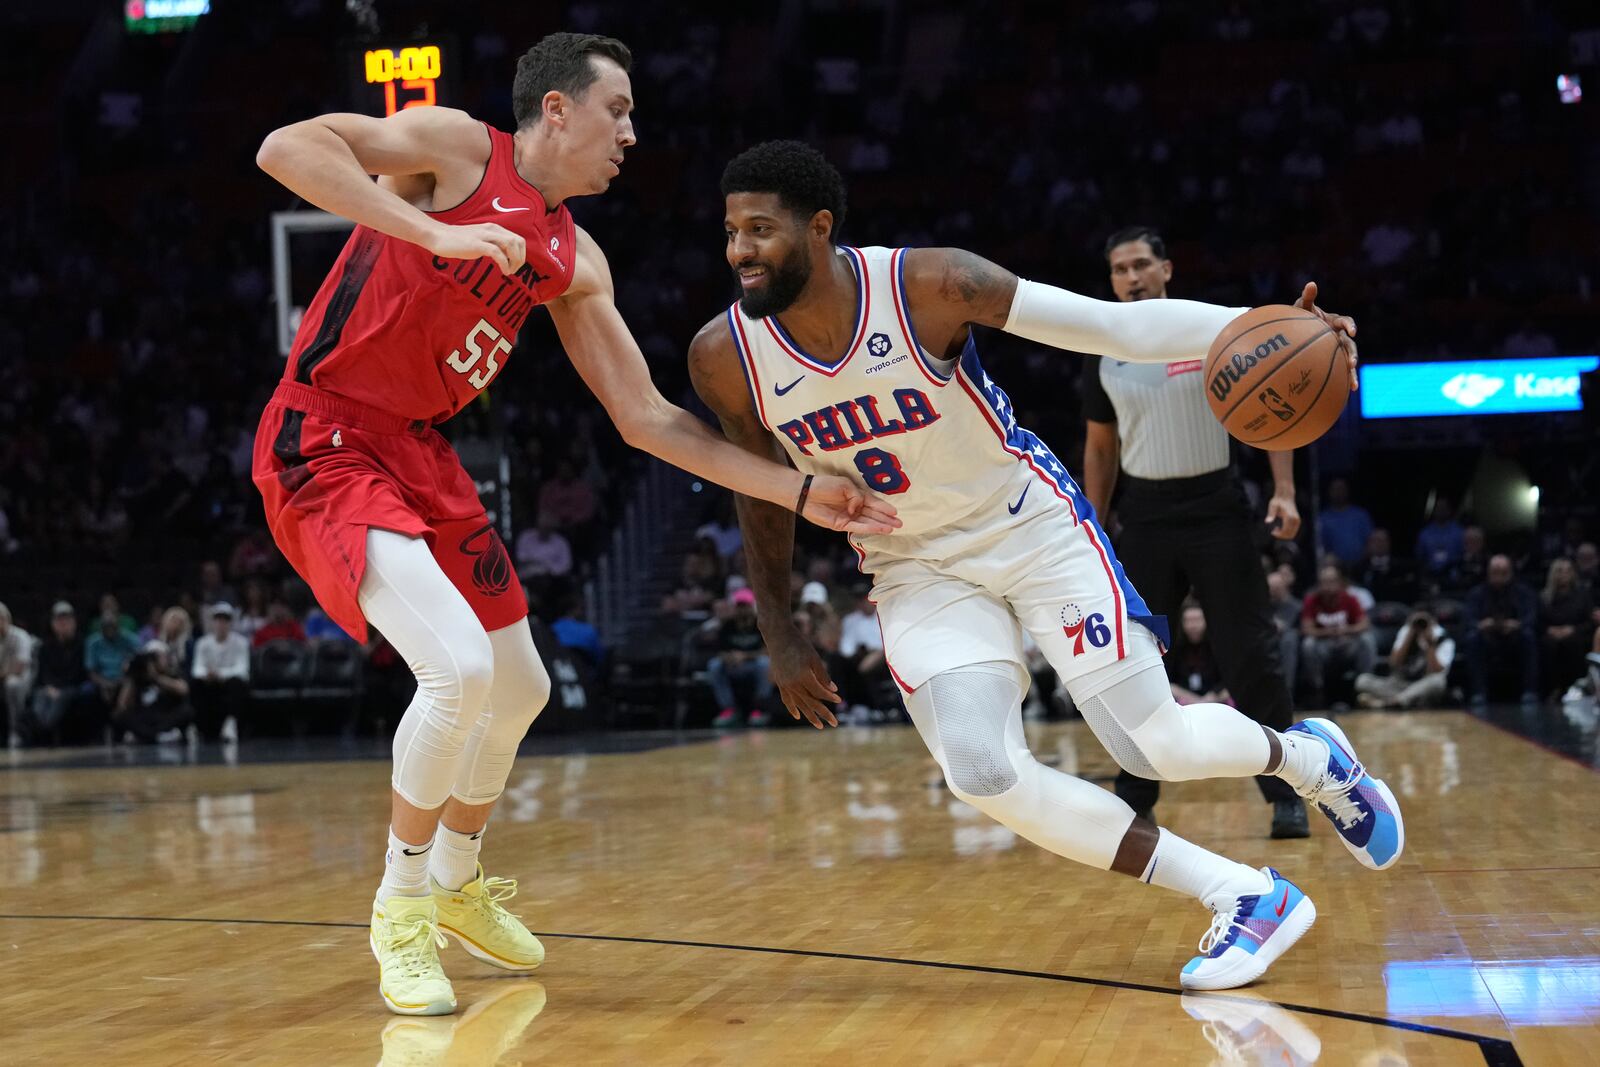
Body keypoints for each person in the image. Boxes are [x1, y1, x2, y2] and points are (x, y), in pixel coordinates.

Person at [251, 35, 897, 1017]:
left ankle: (459, 880)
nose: (630, 135)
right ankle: (401, 907)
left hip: (421, 452)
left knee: (520, 684)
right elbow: (284, 149)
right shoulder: (452, 150)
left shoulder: (572, 255)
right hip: (327, 434)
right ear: (555, 110)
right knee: (457, 670)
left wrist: (796, 492)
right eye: (617, 111)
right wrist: (433, 234)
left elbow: (642, 418)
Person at [687, 141, 1398, 991]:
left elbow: (1114, 326)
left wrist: (1280, 319)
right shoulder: (725, 357)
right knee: (983, 770)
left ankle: (1312, 762)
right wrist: (781, 628)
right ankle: (1244, 894)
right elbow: (761, 493)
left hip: (1030, 525)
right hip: (914, 565)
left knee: (1152, 744)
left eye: (760, 229)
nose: (740, 252)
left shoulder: (931, 284)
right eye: (731, 233)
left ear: (821, 227)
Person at [1080, 226, 1308, 838]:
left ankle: (1286, 791)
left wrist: (1283, 491)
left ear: (1167, 271)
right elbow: (1101, 448)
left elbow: (1271, 411)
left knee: (1250, 655)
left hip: (1217, 509)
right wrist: (1094, 523)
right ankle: (1135, 796)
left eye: (1141, 265)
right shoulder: (1100, 348)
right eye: (1119, 269)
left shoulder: (1213, 332)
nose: (1130, 277)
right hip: (1145, 517)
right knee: (1136, 662)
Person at [1462, 554, 1538, 711]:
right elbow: (1468, 620)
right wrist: (1481, 625)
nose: (1499, 576)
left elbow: (1533, 617)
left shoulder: (1523, 592)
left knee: (1529, 636)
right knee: (1472, 638)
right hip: (1487, 639)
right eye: (1495, 572)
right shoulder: (1477, 593)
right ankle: (1478, 693)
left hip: (1514, 638)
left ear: (1510, 572)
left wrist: (1517, 625)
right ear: (1488, 573)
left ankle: (1530, 691)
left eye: (1503, 572)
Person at [1298, 562, 1377, 707]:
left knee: (1366, 640)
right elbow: (1306, 629)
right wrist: (1328, 632)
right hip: (1324, 646)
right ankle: (1316, 690)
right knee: (1308, 644)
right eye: (1324, 582)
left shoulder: (1350, 599)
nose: (1328, 586)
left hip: (1346, 644)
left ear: (1340, 583)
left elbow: (1365, 624)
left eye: (1331, 581)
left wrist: (1346, 630)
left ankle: (1364, 688)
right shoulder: (1312, 600)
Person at [1355, 610, 1454, 709]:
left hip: (1422, 685)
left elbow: (1436, 671)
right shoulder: (1406, 631)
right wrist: (1410, 635)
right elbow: (1393, 664)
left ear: (1434, 622)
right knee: (1362, 680)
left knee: (1438, 682)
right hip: (1399, 684)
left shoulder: (1443, 638)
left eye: (1424, 622)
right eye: (1417, 622)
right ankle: (1404, 701)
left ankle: (1389, 702)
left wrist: (1430, 644)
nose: (1421, 625)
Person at [27, 602, 94, 746]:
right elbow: (43, 672)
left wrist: (59, 688)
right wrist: (50, 687)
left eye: (67, 620)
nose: (63, 624)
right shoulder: (45, 646)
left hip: (71, 687)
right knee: (39, 701)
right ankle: (42, 736)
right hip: (48, 687)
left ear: (74, 622)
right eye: (59, 620)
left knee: (58, 704)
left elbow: (80, 673)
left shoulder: (83, 644)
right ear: (53, 624)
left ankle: (47, 732)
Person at [706, 588, 772, 727]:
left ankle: (759, 709)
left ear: (752, 607)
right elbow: (719, 651)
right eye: (739, 606)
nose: (742, 610)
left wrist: (745, 656)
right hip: (733, 666)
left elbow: (768, 651)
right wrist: (729, 657)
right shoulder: (727, 625)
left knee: (764, 663)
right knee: (714, 665)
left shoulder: (761, 624)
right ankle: (729, 709)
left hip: (753, 665)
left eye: (745, 606)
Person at [191, 602, 252, 742]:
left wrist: (220, 674)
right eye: (218, 619)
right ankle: (198, 727)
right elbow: (197, 669)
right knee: (195, 684)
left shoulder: (241, 642)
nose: (221, 623)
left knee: (237, 683)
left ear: (230, 623)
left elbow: (242, 669)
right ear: (213, 622)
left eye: (225, 620)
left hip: (229, 685)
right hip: (210, 684)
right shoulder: (203, 643)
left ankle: (230, 724)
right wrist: (207, 675)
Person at [1537, 558, 1594, 699]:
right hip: (1551, 634)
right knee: (1548, 644)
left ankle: (1575, 687)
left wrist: (1573, 629)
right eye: (1560, 571)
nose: (1564, 574)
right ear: (1553, 574)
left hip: (1576, 633)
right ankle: (1553, 688)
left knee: (1573, 643)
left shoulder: (1583, 595)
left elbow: (1590, 621)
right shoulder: (1544, 597)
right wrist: (1549, 630)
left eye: (1568, 570)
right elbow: (1538, 621)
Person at [1167, 603, 1228, 705]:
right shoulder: (1174, 649)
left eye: (1197, 620)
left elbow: (1230, 682)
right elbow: (1168, 683)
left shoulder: (1219, 648)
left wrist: (1210, 698)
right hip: (1184, 704)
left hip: (1216, 703)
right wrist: (1193, 700)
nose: (1193, 626)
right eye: (1188, 621)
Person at [1, 602, 37, 748]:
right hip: (2, 677)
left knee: (12, 684)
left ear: (7, 619)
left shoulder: (21, 636)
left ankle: (15, 731)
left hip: (23, 679)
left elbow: (19, 668)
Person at [1316, 478, 1373, 566]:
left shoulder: (1360, 515)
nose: (1339, 493)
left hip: (1362, 564)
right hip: (1335, 566)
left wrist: (1363, 559)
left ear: (1347, 491)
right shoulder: (1323, 518)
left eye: (1341, 489)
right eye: (1335, 489)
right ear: (1329, 492)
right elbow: (1320, 545)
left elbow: (1370, 540)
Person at [1414, 497, 1465, 581]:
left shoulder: (1459, 532)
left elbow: (1464, 554)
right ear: (1434, 510)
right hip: (1431, 575)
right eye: (1438, 508)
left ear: (1449, 510)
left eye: (1444, 508)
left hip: (1454, 576)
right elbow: (1419, 557)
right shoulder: (1425, 533)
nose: (1441, 511)